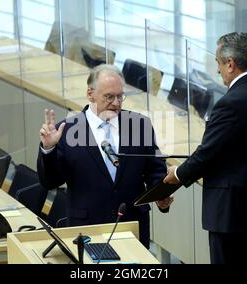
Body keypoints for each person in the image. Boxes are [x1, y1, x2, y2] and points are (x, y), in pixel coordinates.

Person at [164, 32, 247, 264]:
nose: (218, 70)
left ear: (230, 64)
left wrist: (178, 174)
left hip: (232, 215)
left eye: (219, 64)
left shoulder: (230, 103)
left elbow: (208, 154)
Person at [37, 64, 173, 248]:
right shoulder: (67, 131)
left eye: (120, 96)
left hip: (132, 227)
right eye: (109, 96)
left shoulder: (140, 125)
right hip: (88, 229)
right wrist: (48, 149)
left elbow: (154, 168)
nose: (116, 103)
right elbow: (50, 182)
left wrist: (161, 195)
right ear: (90, 94)